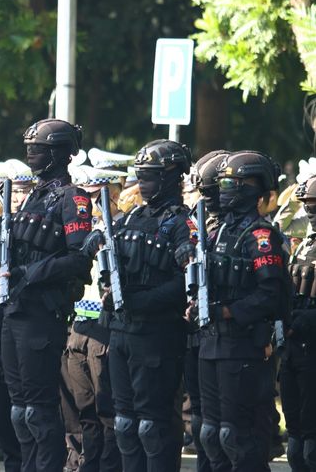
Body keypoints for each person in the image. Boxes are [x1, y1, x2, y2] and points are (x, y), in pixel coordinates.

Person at [0, 119, 93, 472]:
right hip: (16, 309)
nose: (30, 155)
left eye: (37, 149)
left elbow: (78, 257)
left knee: (38, 410)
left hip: (42, 312)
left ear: (58, 153)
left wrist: (30, 274)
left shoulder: (73, 199)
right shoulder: (32, 197)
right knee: (20, 409)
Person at [107, 139, 195, 472]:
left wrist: (145, 300)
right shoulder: (130, 218)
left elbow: (188, 279)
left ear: (173, 176)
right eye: (140, 176)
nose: (143, 184)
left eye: (151, 176)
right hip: (122, 330)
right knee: (125, 425)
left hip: (158, 332)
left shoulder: (182, 223)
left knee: (151, 425)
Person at [198, 150, 286, 472]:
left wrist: (229, 312)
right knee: (210, 434)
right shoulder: (217, 232)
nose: (226, 187)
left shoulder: (261, 236)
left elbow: (270, 294)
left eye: (235, 182)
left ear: (253, 187)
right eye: (224, 181)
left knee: (235, 435)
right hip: (210, 343)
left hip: (242, 345)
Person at [66, 166, 126, 472]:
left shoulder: (122, 231)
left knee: (107, 408)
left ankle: (108, 466)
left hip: (104, 329)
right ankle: (87, 463)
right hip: (77, 326)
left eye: (95, 197)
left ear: (114, 195)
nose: (88, 204)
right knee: (82, 408)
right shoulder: (81, 232)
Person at [186, 150, 230, 472]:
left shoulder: (242, 230)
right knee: (204, 420)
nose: (205, 199)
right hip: (197, 333)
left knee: (229, 429)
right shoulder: (198, 223)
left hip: (231, 336)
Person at [282, 173, 316, 472]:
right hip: (294, 349)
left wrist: (302, 321)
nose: (312, 211)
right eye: (308, 205)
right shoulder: (304, 246)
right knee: (295, 439)